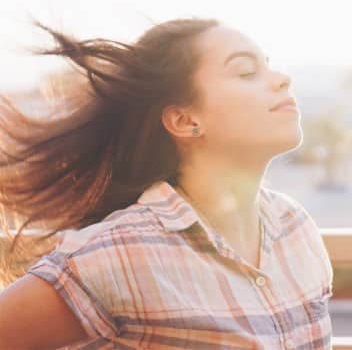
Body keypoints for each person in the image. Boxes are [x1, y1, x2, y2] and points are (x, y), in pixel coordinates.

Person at [0, 18, 334, 349]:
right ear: (185, 120)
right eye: (247, 72)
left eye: (269, 66)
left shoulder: (296, 228)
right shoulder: (123, 253)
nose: (283, 80)